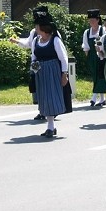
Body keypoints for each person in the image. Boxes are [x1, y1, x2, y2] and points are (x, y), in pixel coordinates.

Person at [31, 10, 70, 138]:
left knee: (52, 98)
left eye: (37, 27)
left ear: (43, 28)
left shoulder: (55, 41)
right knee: (44, 99)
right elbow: (34, 57)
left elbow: (64, 58)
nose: (36, 29)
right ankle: (50, 127)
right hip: (41, 74)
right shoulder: (36, 41)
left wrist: (64, 74)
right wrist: (34, 72)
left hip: (53, 72)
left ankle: (51, 127)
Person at [81, 9, 106, 107]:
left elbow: (105, 43)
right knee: (95, 76)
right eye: (90, 20)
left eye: (93, 20)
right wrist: (89, 58)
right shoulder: (87, 32)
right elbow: (86, 47)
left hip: (101, 55)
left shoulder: (103, 30)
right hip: (92, 56)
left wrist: (102, 54)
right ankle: (102, 99)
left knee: (100, 75)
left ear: (98, 20)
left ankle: (93, 97)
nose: (91, 22)